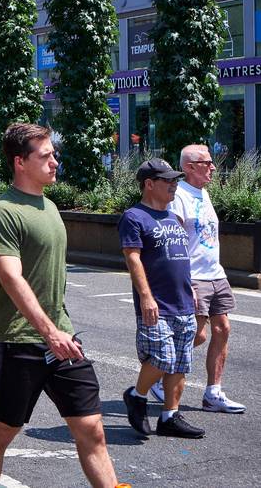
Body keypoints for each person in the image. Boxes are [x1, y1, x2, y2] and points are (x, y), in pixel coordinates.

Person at [0, 123, 118, 488]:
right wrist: (48, 332)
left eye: (54, 154)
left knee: (92, 429)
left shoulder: (50, 206)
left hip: (62, 337)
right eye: (46, 155)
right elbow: (11, 278)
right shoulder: (3, 211)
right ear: (20, 162)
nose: (55, 161)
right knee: (2, 431)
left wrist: (58, 331)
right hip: (18, 339)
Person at [145, 145, 245, 413]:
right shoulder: (179, 197)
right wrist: (184, 281)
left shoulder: (204, 193)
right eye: (207, 162)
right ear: (189, 167)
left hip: (215, 273)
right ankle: (159, 377)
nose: (212, 167)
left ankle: (213, 392)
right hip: (194, 276)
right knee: (197, 335)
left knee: (222, 329)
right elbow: (173, 241)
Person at [119, 158, 205, 439]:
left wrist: (190, 286)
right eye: (167, 181)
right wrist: (146, 297)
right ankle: (137, 395)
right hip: (157, 304)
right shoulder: (134, 217)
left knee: (181, 362)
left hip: (182, 300)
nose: (174, 185)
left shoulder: (173, 217)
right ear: (149, 184)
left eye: (175, 180)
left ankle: (170, 416)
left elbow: (180, 257)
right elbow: (133, 259)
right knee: (162, 358)